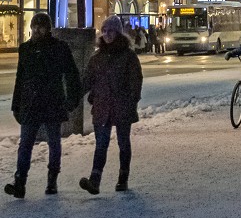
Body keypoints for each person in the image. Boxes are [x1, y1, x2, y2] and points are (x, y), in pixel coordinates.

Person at [5, 13, 82, 199]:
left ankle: (52, 180)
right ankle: (20, 181)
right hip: (31, 103)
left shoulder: (59, 48)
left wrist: (72, 99)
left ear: (48, 28)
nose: (37, 30)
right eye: (35, 26)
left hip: (52, 102)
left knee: (54, 142)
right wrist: (16, 105)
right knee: (25, 144)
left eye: (41, 26)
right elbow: (20, 78)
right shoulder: (26, 49)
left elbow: (72, 74)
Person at [79, 17, 143, 195]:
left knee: (123, 142)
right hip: (102, 106)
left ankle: (123, 177)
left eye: (111, 31)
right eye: (104, 31)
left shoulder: (128, 56)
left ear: (118, 32)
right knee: (101, 144)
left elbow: (135, 82)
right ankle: (95, 180)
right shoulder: (97, 58)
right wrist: (72, 96)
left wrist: (131, 102)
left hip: (121, 106)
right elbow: (87, 81)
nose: (107, 34)